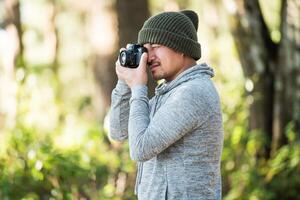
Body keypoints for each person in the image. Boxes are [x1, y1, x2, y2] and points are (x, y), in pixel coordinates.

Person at [109, 9, 223, 200]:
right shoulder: (168, 94)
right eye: (146, 49)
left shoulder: (193, 92)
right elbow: (118, 131)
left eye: (156, 45)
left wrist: (138, 87)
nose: (149, 56)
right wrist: (124, 82)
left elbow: (140, 149)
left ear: (180, 46)